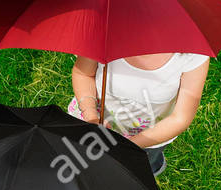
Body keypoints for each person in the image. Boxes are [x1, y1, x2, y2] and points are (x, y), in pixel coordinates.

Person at [69, 52, 210, 177]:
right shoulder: (102, 36)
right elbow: (84, 74)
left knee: (142, 164)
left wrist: (127, 147)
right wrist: (91, 116)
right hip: (95, 122)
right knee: (88, 160)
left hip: (149, 135)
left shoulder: (192, 55)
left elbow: (180, 118)